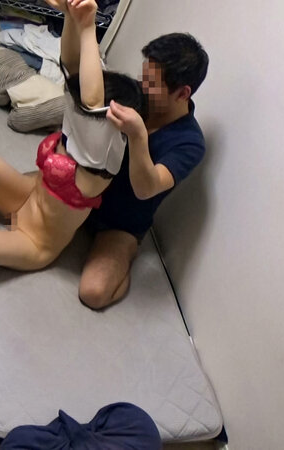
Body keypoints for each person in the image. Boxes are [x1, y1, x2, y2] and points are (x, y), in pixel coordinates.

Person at [0, 0, 144, 271]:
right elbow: (72, 66)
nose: (77, 105)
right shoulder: (78, 120)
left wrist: (88, 27)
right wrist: (70, 16)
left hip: (35, 241)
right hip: (24, 199)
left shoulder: (103, 156)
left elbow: (92, 100)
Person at [77, 32, 209, 310]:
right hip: (85, 187)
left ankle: (124, 258)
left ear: (182, 93)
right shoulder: (136, 92)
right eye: (143, 76)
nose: (142, 85)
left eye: (151, 83)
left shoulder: (190, 142)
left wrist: (138, 135)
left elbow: (146, 189)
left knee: (93, 293)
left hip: (121, 223)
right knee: (8, 200)